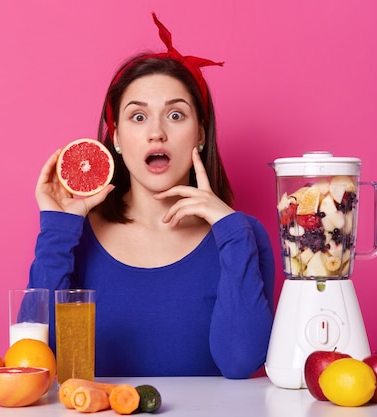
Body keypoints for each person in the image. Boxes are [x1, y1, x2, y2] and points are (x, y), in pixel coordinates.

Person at [28, 13, 274, 379]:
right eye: (138, 117)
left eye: (175, 115)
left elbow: (240, 362)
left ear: (201, 134)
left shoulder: (243, 235)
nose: (156, 132)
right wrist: (58, 229)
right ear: (116, 137)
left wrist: (232, 231)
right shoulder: (74, 237)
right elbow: (35, 360)